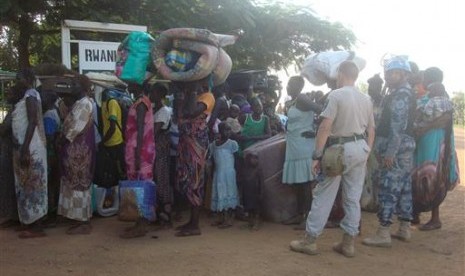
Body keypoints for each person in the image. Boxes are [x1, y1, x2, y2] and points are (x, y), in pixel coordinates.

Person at [290, 60, 375, 258]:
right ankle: (348, 243)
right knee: (353, 197)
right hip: (360, 148)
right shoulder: (366, 99)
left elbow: (325, 127)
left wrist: (317, 155)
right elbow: (371, 129)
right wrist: (367, 151)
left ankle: (309, 241)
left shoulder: (336, 95)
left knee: (324, 194)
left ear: (340, 74)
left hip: (338, 151)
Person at [363, 56, 416, 247]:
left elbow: (397, 126)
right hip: (405, 147)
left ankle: (383, 233)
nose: (387, 76)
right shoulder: (403, 93)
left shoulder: (400, 95)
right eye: (387, 72)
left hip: (395, 148)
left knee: (388, 188)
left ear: (403, 74)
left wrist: (390, 152)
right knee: (404, 188)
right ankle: (404, 228)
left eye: (392, 72)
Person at [411, 67, 460, 230]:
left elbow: (442, 120)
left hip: (432, 143)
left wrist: (424, 129)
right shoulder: (436, 96)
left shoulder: (437, 97)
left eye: (424, 77)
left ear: (429, 79)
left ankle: (435, 218)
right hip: (429, 143)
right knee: (421, 176)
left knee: (431, 176)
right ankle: (416, 213)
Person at [10, 69, 48, 238]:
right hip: (23, 147)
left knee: (34, 184)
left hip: (31, 148)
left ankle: (37, 226)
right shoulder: (24, 97)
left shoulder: (31, 95)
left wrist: (25, 148)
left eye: (19, 79)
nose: (17, 82)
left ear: (27, 79)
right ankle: (28, 221)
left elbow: (32, 121)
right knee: (24, 184)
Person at [57, 74, 96, 235]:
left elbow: (75, 127)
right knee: (73, 184)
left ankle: (84, 222)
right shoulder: (79, 103)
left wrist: (61, 138)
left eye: (74, 84)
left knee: (80, 184)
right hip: (74, 150)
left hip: (79, 151)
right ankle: (76, 219)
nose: (72, 87)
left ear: (82, 87)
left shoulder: (85, 103)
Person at [175, 80, 215, 237]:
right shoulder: (190, 97)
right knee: (186, 181)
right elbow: (179, 114)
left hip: (196, 146)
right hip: (185, 145)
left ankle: (195, 224)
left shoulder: (208, 97)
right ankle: (191, 222)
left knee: (195, 181)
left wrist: (192, 92)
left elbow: (191, 112)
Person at [282, 76, 321, 229]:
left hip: (304, 145)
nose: (288, 87)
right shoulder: (292, 101)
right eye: (288, 84)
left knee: (305, 184)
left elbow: (322, 110)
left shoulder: (303, 99)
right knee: (298, 184)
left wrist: (317, 131)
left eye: (291, 84)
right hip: (294, 145)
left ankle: (307, 218)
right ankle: (299, 215)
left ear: (299, 86)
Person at [120, 82, 155, 239]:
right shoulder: (141, 102)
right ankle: (139, 221)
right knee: (138, 186)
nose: (129, 86)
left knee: (141, 186)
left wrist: (138, 156)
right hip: (137, 150)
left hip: (139, 151)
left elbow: (140, 130)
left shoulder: (141, 104)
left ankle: (142, 223)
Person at [149, 83, 173, 228]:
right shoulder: (154, 109)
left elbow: (154, 131)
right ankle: (159, 214)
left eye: (153, 92)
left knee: (161, 178)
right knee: (156, 179)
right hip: (155, 148)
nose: (150, 95)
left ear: (159, 95)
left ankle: (165, 215)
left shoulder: (163, 111)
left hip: (160, 147)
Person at [209, 122, 240, 229]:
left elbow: (237, 161)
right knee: (220, 194)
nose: (228, 132)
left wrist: (238, 174)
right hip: (218, 174)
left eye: (229, 130)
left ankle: (229, 219)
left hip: (229, 174)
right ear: (220, 131)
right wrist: (212, 172)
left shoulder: (232, 144)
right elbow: (213, 160)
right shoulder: (213, 145)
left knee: (229, 193)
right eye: (226, 130)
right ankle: (221, 217)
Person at [41, 90, 61, 218]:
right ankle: (53, 209)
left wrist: (49, 153)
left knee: (49, 183)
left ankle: (49, 211)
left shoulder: (48, 114)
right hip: (55, 151)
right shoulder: (56, 112)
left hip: (50, 152)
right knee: (54, 182)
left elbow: (49, 136)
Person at [100, 89, 126, 187]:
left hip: (115, 142)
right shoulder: (104, 103)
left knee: (117, 173)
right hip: (108, 142)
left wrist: (102, 142)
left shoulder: (112, 103)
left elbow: (112, 127)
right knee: (111, 173)